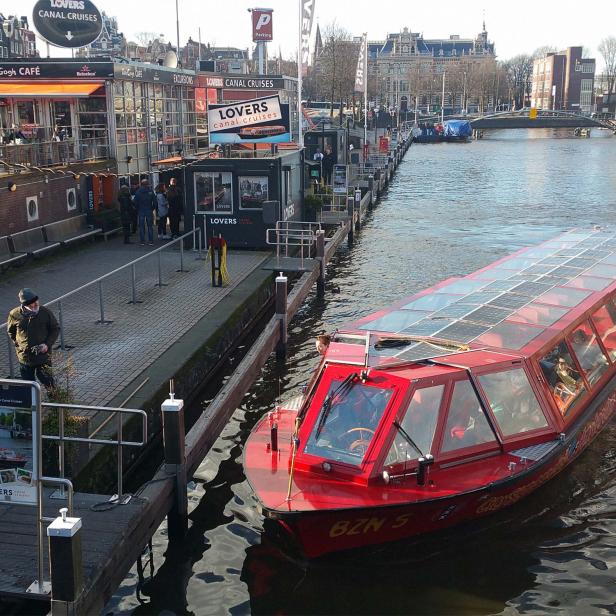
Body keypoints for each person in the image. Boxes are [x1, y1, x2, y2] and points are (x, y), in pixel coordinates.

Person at [7, 289, 60, 392]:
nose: (36, 306)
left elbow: (55, 329)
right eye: (32, 305)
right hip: (25, 358)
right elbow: (11, 332)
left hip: (43, 356)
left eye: (37, 302)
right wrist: (19, 345)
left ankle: (55, 404)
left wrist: (47, 344)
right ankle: (31, 407)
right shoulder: (14, 314)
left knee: (48, 382)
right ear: (25, 305)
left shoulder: (45, 312)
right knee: (28, 386)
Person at [133, 178, 157, 245]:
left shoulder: (138, 192)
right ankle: (151, 241)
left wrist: (138, 208)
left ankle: (142, 241)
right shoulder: (150, 191)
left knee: (141, 226)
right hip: (149, 210)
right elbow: (155, 202)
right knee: (150, 226)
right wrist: (152, 208)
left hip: (141, 210)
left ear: (141, 184)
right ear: (147, 184)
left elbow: (135, 202)